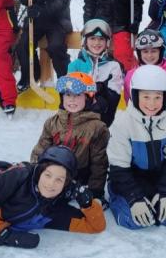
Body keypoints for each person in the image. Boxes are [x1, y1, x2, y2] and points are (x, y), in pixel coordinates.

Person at [107, 65, 166, 229]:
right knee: (135, 221)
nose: (152, 103)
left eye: (158, 97)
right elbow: (118, 167)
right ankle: (118, 199)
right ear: (136, 96)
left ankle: (153, 197)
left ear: (165, 97)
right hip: (127, 178)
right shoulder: (124, 123)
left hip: (154, 178)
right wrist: (134, 198)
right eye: (146, 97)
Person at [30, 72, 110, 202]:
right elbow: (40, 150)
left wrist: (96, 191)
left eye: (77, 95)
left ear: (88, 98)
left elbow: (99, 164)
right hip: (53, 175)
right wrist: (34, 174)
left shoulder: (97, 128)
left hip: (79, 178)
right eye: (68, 95)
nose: (71, 99)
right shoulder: (52, 123)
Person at [16, 0, 73, 92]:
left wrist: (40, 11)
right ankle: (30, 76)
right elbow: (24, 0)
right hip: (38, 20)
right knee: (23, 45)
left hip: (57, 21)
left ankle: (64, 79)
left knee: (55, 47)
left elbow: (60, 3)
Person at [68, 19, 124, 126]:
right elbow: (68, 95)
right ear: (85, 40)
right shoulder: (75, 65)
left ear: (107, 42)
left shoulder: (113, 66)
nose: (97, 43)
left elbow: (113, 98)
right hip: (76, 118)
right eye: (92, 38)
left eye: (101, 39)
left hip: (101, 118)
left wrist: (101, 91)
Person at [122, 28, 166, 106]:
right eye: (145, 51)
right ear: (139, 53)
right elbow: (128, 102)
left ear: (161, 52)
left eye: (154, 51)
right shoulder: (131, 75)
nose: (149, 55)